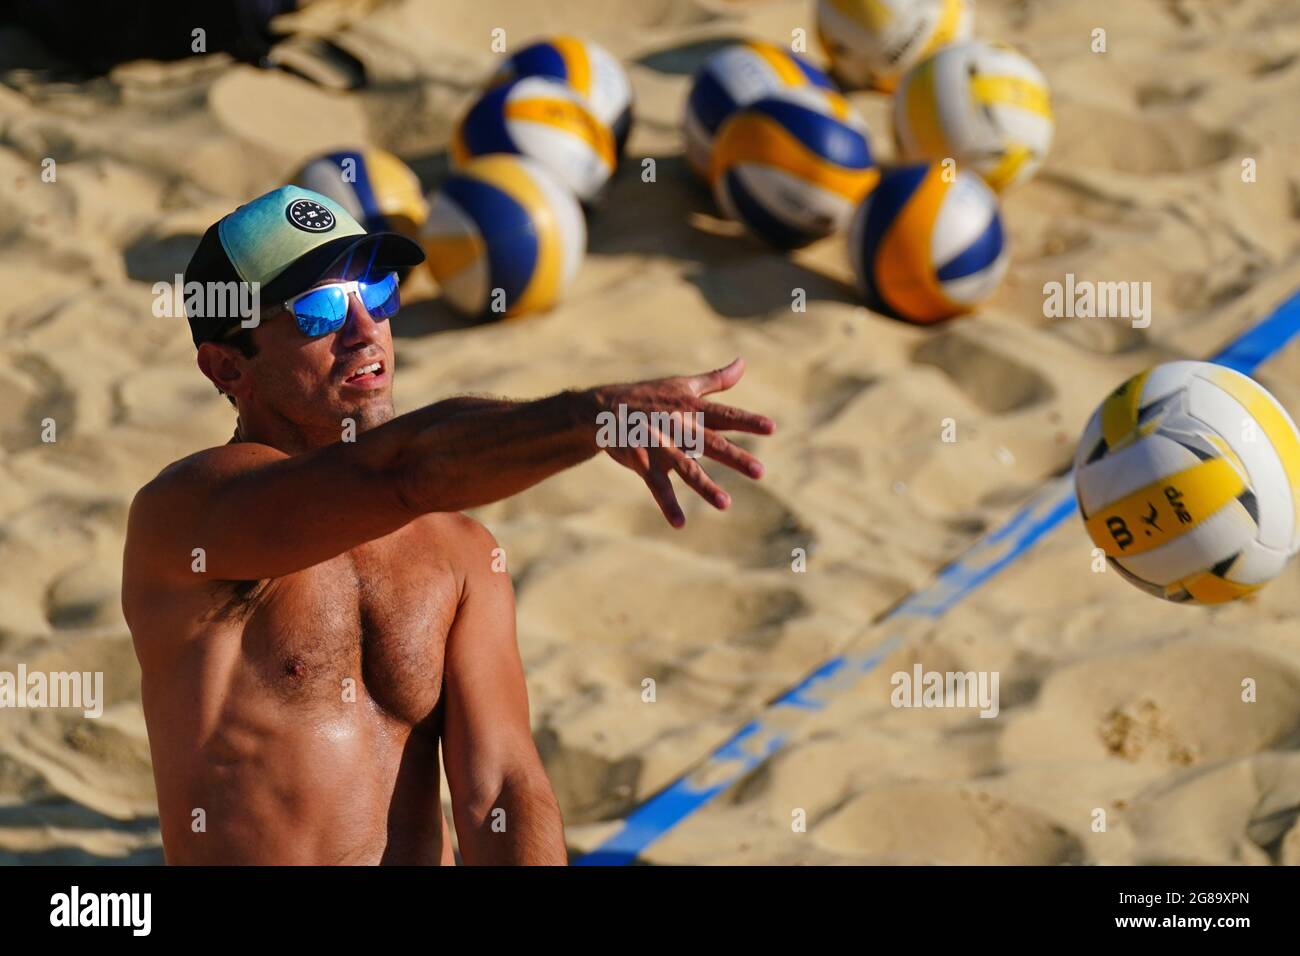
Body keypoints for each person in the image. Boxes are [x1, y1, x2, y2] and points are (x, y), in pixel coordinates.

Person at [121, 186, 774, 864]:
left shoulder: (460, 552)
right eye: (317, 310)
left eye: (375, 292)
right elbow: (398, 471)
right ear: (228, 365)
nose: (363, 330)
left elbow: (499, 789)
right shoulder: (189, 518)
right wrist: (589, 417)